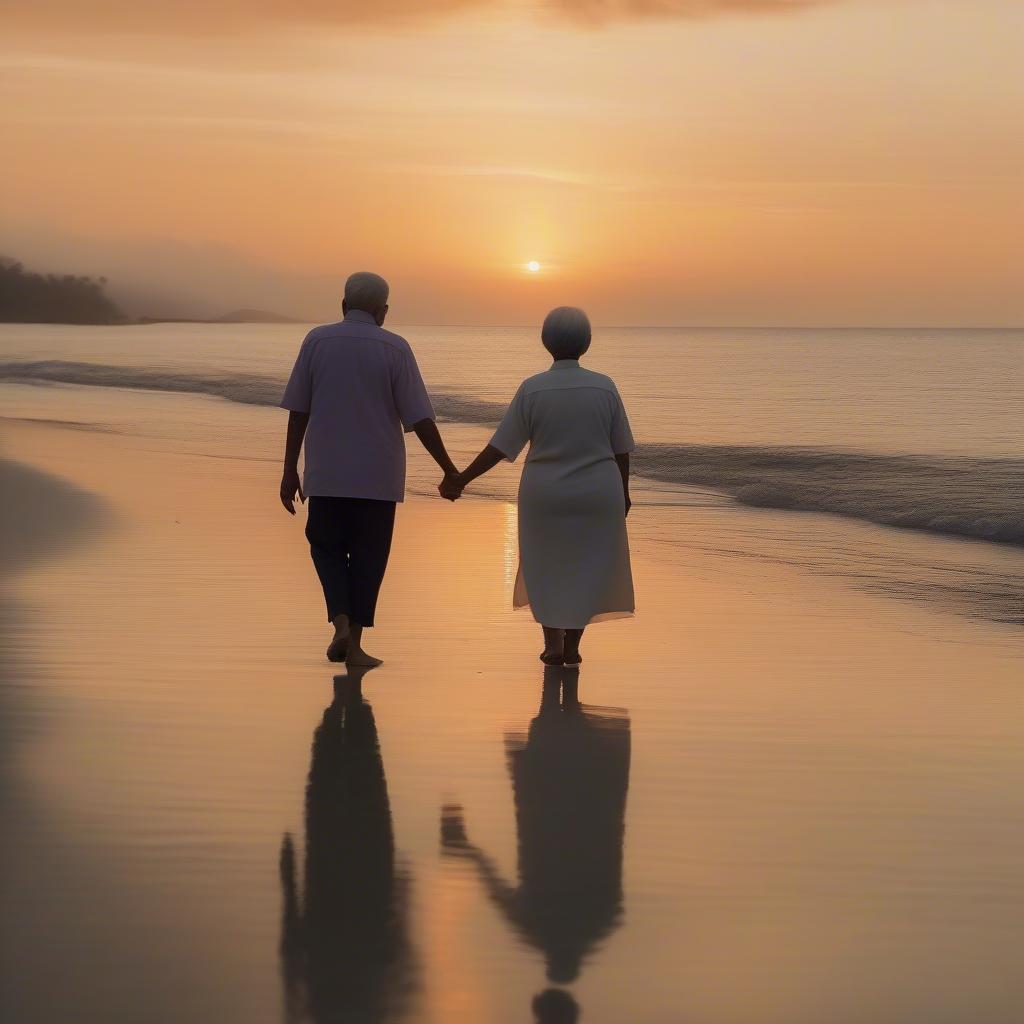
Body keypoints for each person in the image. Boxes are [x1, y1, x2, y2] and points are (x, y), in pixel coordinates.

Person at [280, 271, 459, 666]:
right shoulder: (395, 348)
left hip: (326, 472)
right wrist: (449, 469)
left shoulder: (317, 340)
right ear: (384, 312)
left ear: (343, 305)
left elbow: (299, 410)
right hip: (378, 477)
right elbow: (420, 419)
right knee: (368, 558)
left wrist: (289, 468)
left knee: (326, 549)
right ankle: (355, 644)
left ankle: (340, 622)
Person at [441, 307, 635, 666]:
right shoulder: (605, 386)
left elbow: (501, 447)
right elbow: (621, 449)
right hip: (598, 490)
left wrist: (461, 478)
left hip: (545, 492)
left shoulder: (533, 388)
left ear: (545, 342)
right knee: (587, 566)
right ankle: (573, 645)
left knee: (546, 563)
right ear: (587, 343)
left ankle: (552, 644)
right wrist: (623, 493)